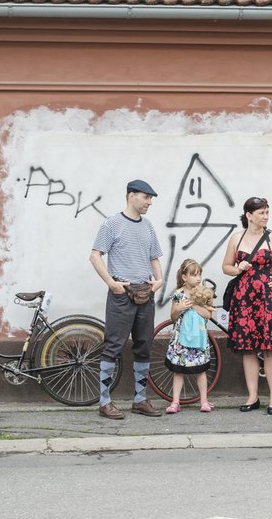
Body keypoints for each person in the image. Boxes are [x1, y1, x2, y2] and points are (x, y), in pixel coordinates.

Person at [89, 179, 165, 420]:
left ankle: (140, 400)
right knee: (113, 346)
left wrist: (159, 279)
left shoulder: (148, 226)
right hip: (122, 293)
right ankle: (104, 402)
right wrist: (111, 283)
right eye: (146, 197)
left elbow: (154, 256)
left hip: (145, 291)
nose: (149, 202)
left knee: (144, 345)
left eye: (151, 198)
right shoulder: (112, 224)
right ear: (131, 195)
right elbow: (95, 256)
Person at [222, 196, 272, 415]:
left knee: (270, 350)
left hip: (266, 299)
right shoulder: (236, 238)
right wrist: (238, 269)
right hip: (244, 299)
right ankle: (252, 396)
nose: (266, 217)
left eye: (267, 212)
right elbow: (226, 266)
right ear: (249, 216)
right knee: (247, 350)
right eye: (261, 213)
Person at [164, 259, 215, 414]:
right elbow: (173, 317)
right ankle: (175, 402)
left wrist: (195, 305)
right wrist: (179, 308)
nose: (198, 278)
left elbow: (208, 314)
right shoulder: (178, 294)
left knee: (200, 371)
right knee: (179, 371)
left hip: (198, 337)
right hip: (181, 338)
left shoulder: (204, 293)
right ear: (184, 277)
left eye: (199, 274)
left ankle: (204, 401)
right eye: (194, 275)